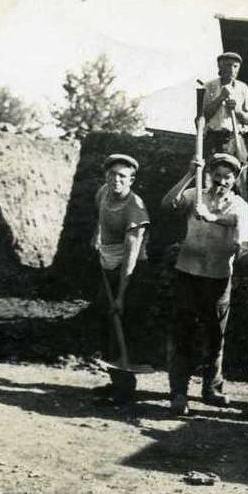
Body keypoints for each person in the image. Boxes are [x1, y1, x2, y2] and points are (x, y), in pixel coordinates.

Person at [160, 152, 248, 416]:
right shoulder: (195, 195)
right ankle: (179, 392)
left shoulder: (240, 207)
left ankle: (212, 389)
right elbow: (167, 205)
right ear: (209, 174)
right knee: (183, 334)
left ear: (234, 180)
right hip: (187, 273)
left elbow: (243, 243)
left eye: (228, 178)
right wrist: (190, 173)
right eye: (217, 176)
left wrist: (215, 219)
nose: (221, 182)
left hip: (219, 277)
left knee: (215, 336)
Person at [91, 154, 151, 405]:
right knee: (106, 322)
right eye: (112, 174)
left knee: (123, 323)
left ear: (131, 180)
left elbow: (131, 253)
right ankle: (114, 381)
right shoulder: (103, 193)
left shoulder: (134, 207)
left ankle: (126, 391)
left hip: (132, 270)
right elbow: (100, 219)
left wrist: (121, 295)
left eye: (122, 176)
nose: (116, 180)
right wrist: (97, 236)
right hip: (107, 263)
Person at [202, 52, 248, 161]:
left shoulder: (243, 88)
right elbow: (203, 115)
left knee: (240, 170)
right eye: (227, 65)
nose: (231, 69)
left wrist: (237, 111)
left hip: (235, 139)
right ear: (219, 66)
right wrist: (221, 98)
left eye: (235, 66)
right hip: (214, 138)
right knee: (211, 172)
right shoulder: (209, 86)